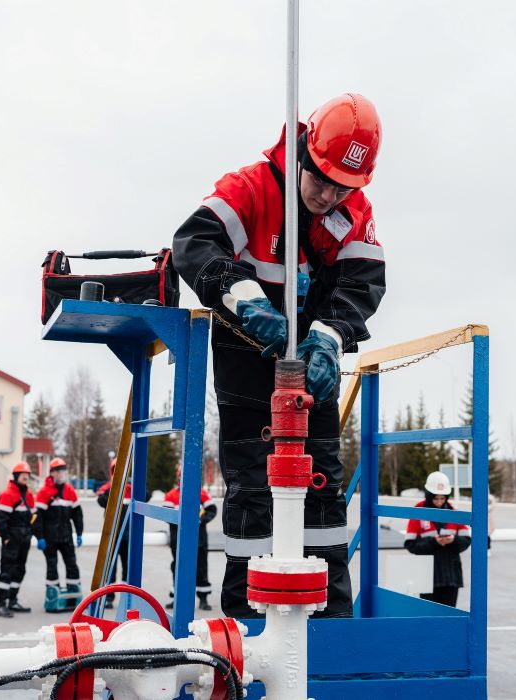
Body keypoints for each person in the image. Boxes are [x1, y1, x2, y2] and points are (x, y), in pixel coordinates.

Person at [172, 93, 387, 618]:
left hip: (313, 373)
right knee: (252, 491)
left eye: (344, 186)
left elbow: (362, 284)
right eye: (322, 179)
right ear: (303, 156)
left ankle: (330, 622)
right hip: (245, 365)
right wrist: (244, 301)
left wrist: (329, 338)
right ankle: (246, 627)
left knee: (321, 489)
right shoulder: (249, 188)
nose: (330, 194)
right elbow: (192, 243)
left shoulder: (353, 214)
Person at [403, 471, 472, 608]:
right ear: (429, 495)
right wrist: (434, 542)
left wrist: (453, 541)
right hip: (427, 576)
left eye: (442, 498)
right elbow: (410, 544)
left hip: (451, 577)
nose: (439, 502)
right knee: (428, 618)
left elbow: (466, 540)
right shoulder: (417, 512)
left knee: (449, 617)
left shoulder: (454, 512)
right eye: (436, 498)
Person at [164, 466, 218, 611]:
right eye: (182, 477)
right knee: (178, 568)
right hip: (178, 540)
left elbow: (212, 510)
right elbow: (167, 515)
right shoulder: (171, 495)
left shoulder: (202, 494)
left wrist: (201, 520)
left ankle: (203, 599)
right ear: (178, 478)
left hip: (199, 541)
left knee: (201, 569)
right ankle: (176, 598)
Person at [34, 458, 84, 600]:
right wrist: (39, 537)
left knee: (71, 564)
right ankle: (52, 594)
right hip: (49, 538)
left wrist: (79, 533)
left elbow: (77, 515)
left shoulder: (70, 491)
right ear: (52, 473)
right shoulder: (44, 492)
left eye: (63, 471)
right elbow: (37, 517)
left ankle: (73, 592)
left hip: (66, 537)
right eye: (59, 471)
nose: (62, 474)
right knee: (52, 566)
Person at [0, 461, 36, 618]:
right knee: (7, 571)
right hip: (11, 540)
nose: (26, 477)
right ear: (16, 476)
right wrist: (6, 538)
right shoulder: (7, 495)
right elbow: (0, 519)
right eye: (23, 475)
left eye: (27, 475)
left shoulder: (29, 495)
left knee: (20, 570)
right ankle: (1, 604)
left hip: (24, 540)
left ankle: (12, 600)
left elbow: (34, 517)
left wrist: (32, 532)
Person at [95, 458, 131, 608]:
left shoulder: (132, 488)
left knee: (128, 567)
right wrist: (115, 485)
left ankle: (128, 596)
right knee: (110, 567)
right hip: (112, 535)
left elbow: (146, 495)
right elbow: (101, 501)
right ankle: (108, 597)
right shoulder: (107, 488)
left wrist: (129, 483)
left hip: (129, 535)